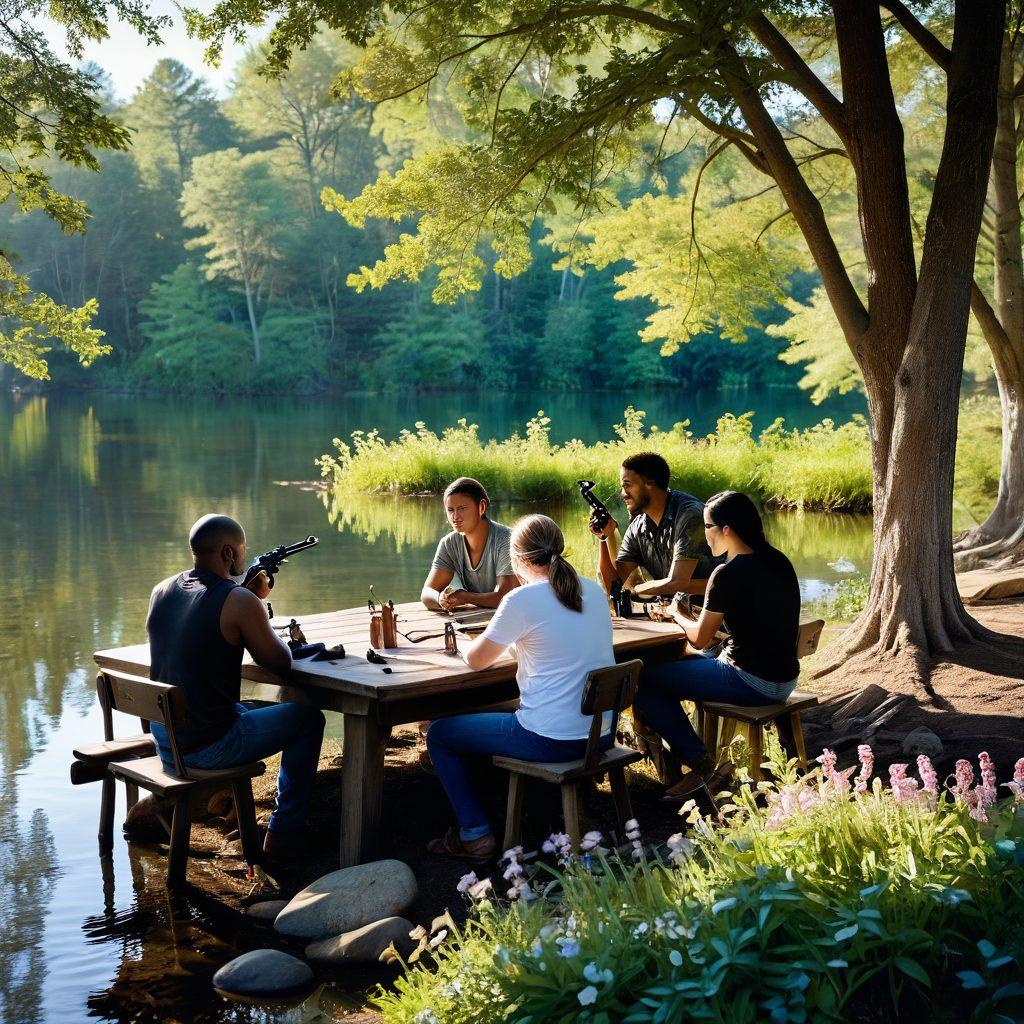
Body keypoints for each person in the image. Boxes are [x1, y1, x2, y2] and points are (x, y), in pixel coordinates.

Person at [425, 514, 616, 859]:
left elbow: (478, 660)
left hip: (549, 739)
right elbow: (556, 640)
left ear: (519, 560)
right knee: (503, 712)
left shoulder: (521, 600)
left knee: (439, 733)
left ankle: (475, 834)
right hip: (598, 734)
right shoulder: (592, 589)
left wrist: (469, 642)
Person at [145, 514, 326, 857]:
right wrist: (255, 602)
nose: (245, 556)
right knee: (308, 719)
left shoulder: (162, 589)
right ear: (228, 552)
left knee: (268, 708)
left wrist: (246, 600)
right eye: (242, 549)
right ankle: (285, 833)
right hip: (207, 745)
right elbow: (281, 661)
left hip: (168, 737)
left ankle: (234, 805)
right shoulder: (238, 601)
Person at [633, 491, 801, 796]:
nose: (704, 535)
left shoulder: (726, 573)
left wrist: (675, 614)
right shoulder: (779, 561)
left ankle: (704, 767)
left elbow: (699, 639)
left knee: (644, 681)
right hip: (785, 679)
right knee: (679, 668)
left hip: (751, 681)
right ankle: (694, 762)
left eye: (707, 527)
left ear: (726, 530)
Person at [588, 452, 716, 599]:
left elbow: (677, 583)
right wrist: (605, 537)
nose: (623, 494)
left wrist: (638, 589)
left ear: (650, 484)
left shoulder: (689, 515)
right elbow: (617, 586)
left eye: (627, 485)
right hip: (677, 613)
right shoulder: (638, 525)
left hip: (718, 614)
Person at [421, 477, 519, 611]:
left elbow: (506, 598)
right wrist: (440, 599)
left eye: (462, 508)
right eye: (450, 510)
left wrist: (464, 597)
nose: (455, 517)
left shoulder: (507, 540)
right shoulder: (449, 544)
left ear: (482, 507)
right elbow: (428, 591)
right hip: (479, 619)